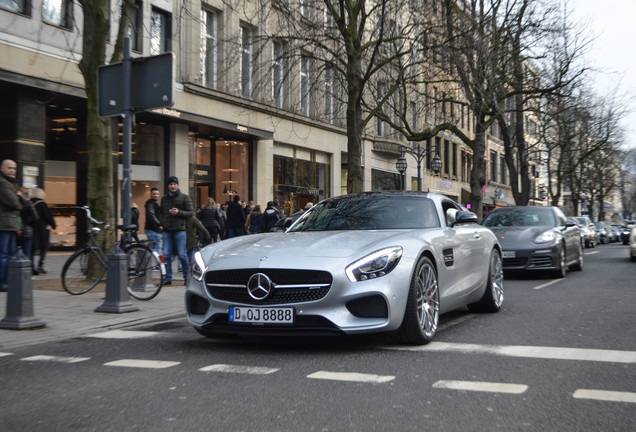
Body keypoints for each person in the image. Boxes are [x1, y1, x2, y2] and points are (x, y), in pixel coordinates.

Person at [159, 176, 193, 285]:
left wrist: (178, 212)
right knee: (166, 255)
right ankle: (168, 278)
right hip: (167, 231)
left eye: (174, 184)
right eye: (170, 184)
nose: (172, 186)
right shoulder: (164, 199)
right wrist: (161, 224)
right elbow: (161, 213)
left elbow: (190, 213)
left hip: (180, 230)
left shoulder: (184, 197)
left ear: (177, 185)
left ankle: (187, 278)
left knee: (182, 254)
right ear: (168, 186)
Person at [0, 159, 22, 291]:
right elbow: (14, 203)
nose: (12, 170)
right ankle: (2, 282)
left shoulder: (10, 183)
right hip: (4, 224)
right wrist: (19, 196)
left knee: (11, 255)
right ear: (2, 168)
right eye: (9, 168)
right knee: (4, 254)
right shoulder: (2, 183)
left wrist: (19, 197)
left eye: (14, 168)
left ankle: (9, 281)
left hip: (11, 224)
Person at [30, 187, 56, 275]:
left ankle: (32, 266)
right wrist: (53, 225)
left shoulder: (29, 203)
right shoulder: (42, 204)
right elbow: (48, 217)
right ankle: (40, 265)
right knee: (44, 247)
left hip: (32, 228)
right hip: (42, 229)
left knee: (32, 249)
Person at [16, 187, 39, 264]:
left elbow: (35, 217)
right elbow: (35, 217)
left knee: (18, 254)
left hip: (19, 231)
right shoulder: (28, 203)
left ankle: (22, 273)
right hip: (27, 232)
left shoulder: (20, 203)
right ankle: (26, 273)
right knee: (27, 255)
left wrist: (26, 224)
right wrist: (29, 225)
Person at [144, 187, 162, 255]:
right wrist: (159, 224)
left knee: (154, 250)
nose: (156, 195)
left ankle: (156, 264)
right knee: (158, 250)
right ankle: (160, 264)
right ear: (151, 194)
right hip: (153, 230)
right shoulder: (150, 204)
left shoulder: (152, 203)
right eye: (154, 194)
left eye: (157, 194)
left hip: (153, 230)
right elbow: (151, 215)